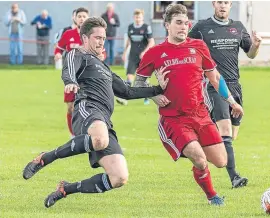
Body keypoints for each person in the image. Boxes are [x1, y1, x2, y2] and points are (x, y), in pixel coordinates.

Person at [22, 17, 169, 208]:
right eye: (97, 37)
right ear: (85, 38)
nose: (101, 42)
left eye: (104, 38)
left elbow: (127, 92)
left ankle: (66, 189)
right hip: (87, 109)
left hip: (104, 121)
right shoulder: (78, 54)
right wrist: (70, 82)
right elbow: (69, 70)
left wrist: (158, 89)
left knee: (119, 178)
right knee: (100, 139)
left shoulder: (105, 68)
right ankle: (45, 158)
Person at [134, 4, 243, 205]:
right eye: (178, 23)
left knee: (221, 161)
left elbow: (215, 78)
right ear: (167, 25)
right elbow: (138, 82)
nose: (183, 27)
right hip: (174, 118)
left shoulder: (199, 47)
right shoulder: (155, 53)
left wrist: (232, 102)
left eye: (186, 23)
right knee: (200, 160)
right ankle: (213, 197)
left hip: (201, 115)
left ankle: (190, 148)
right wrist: (156, 94)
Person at [188, 1, 262, 188]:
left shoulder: (237, 27)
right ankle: (234, 177)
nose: (223, 6)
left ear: (230, 5)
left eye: (226, 2)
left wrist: (256, 45)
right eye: (219, 2)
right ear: (214, 4)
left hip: (235, 86)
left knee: (230, 137)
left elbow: (251, 54)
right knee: (226, 131)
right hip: (214, 85)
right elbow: (186, 48)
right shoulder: (201, 27)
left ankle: (198, 147)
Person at [54, 7, 89, 138]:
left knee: (87, 107)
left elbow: (102, 51)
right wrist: (57, 54)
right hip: (71, 75)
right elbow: (59, 48)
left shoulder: (91, 35)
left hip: (87, 76)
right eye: (79, 16)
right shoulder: (68, 34)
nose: (81, 18)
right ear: (75, 18)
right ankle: (73, 135)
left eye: (84, 16)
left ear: (88, 18)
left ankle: (87, 133)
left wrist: (102, 55)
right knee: (70, 107)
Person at [118, 9, 155, 106]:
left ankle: (146, 97)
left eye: (139, 17)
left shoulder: (146, 27)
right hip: (133, 56)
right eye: (136, 17)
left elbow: (152, 42)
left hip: (144, 57)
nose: (137, 19)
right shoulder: (130, 27)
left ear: (142, 17)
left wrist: (144, 52)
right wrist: (125, 52)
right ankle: (125, 97)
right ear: (134, 17)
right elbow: (129, 41)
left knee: (143, 79)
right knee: (129, 76)